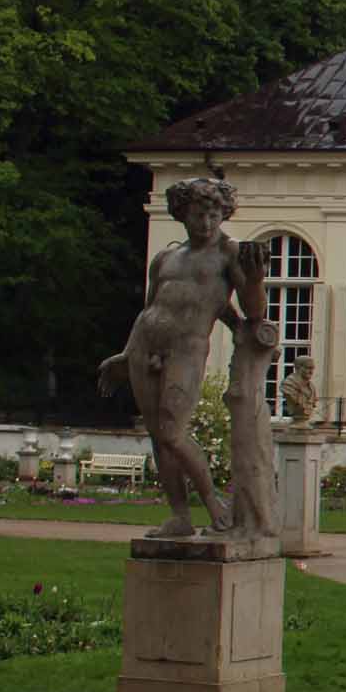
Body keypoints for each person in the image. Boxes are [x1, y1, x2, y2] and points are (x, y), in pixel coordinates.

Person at [96, 176, 264, 539]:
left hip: (186, 349)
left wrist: (255, 280)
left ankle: (213, 503)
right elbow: (150, 309)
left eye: (214, 214)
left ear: (224, 214)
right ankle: (179, 516)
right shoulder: (166, 258)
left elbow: (253, 312)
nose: (206, 223)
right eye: (198, 214)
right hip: (145, 348)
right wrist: (125, 355)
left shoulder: (229, 254)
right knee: (158, 436)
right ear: (182, 213)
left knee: (172, 431)